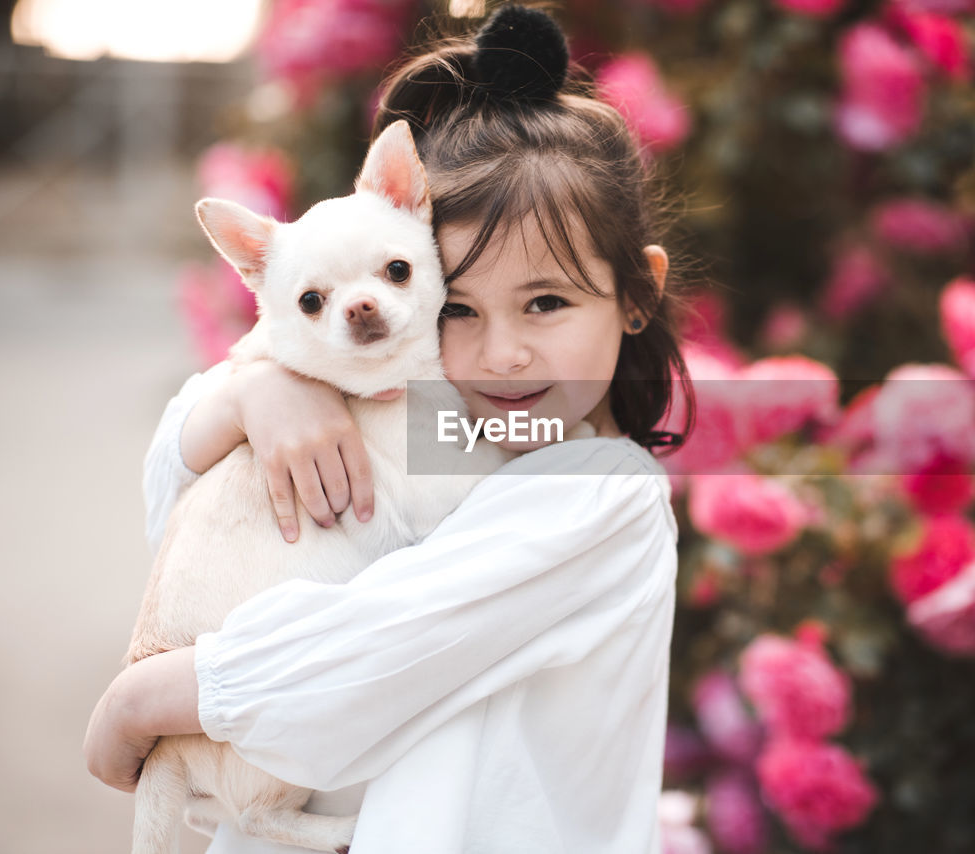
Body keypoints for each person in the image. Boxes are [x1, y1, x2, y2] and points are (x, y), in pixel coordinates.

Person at [84, 5, 696, 853]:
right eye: (463, 307)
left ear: (636, 295)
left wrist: (141, 700)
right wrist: (255, 393)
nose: (502, 354)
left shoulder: (601, 491)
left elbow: (369, 650)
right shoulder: (459, 434)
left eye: (547, 302)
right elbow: (182, 503)